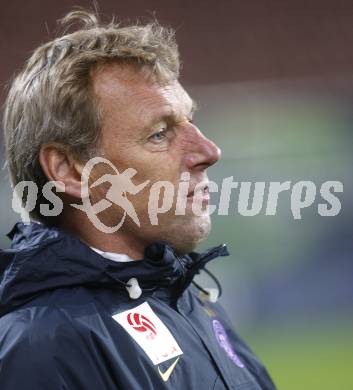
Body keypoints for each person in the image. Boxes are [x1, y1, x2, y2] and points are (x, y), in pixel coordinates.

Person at [0, 9, 276, 390]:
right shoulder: (45, 348)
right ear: (70, 170)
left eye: (190, 121)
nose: (209, 151)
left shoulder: (190, 299)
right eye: (160, 134)